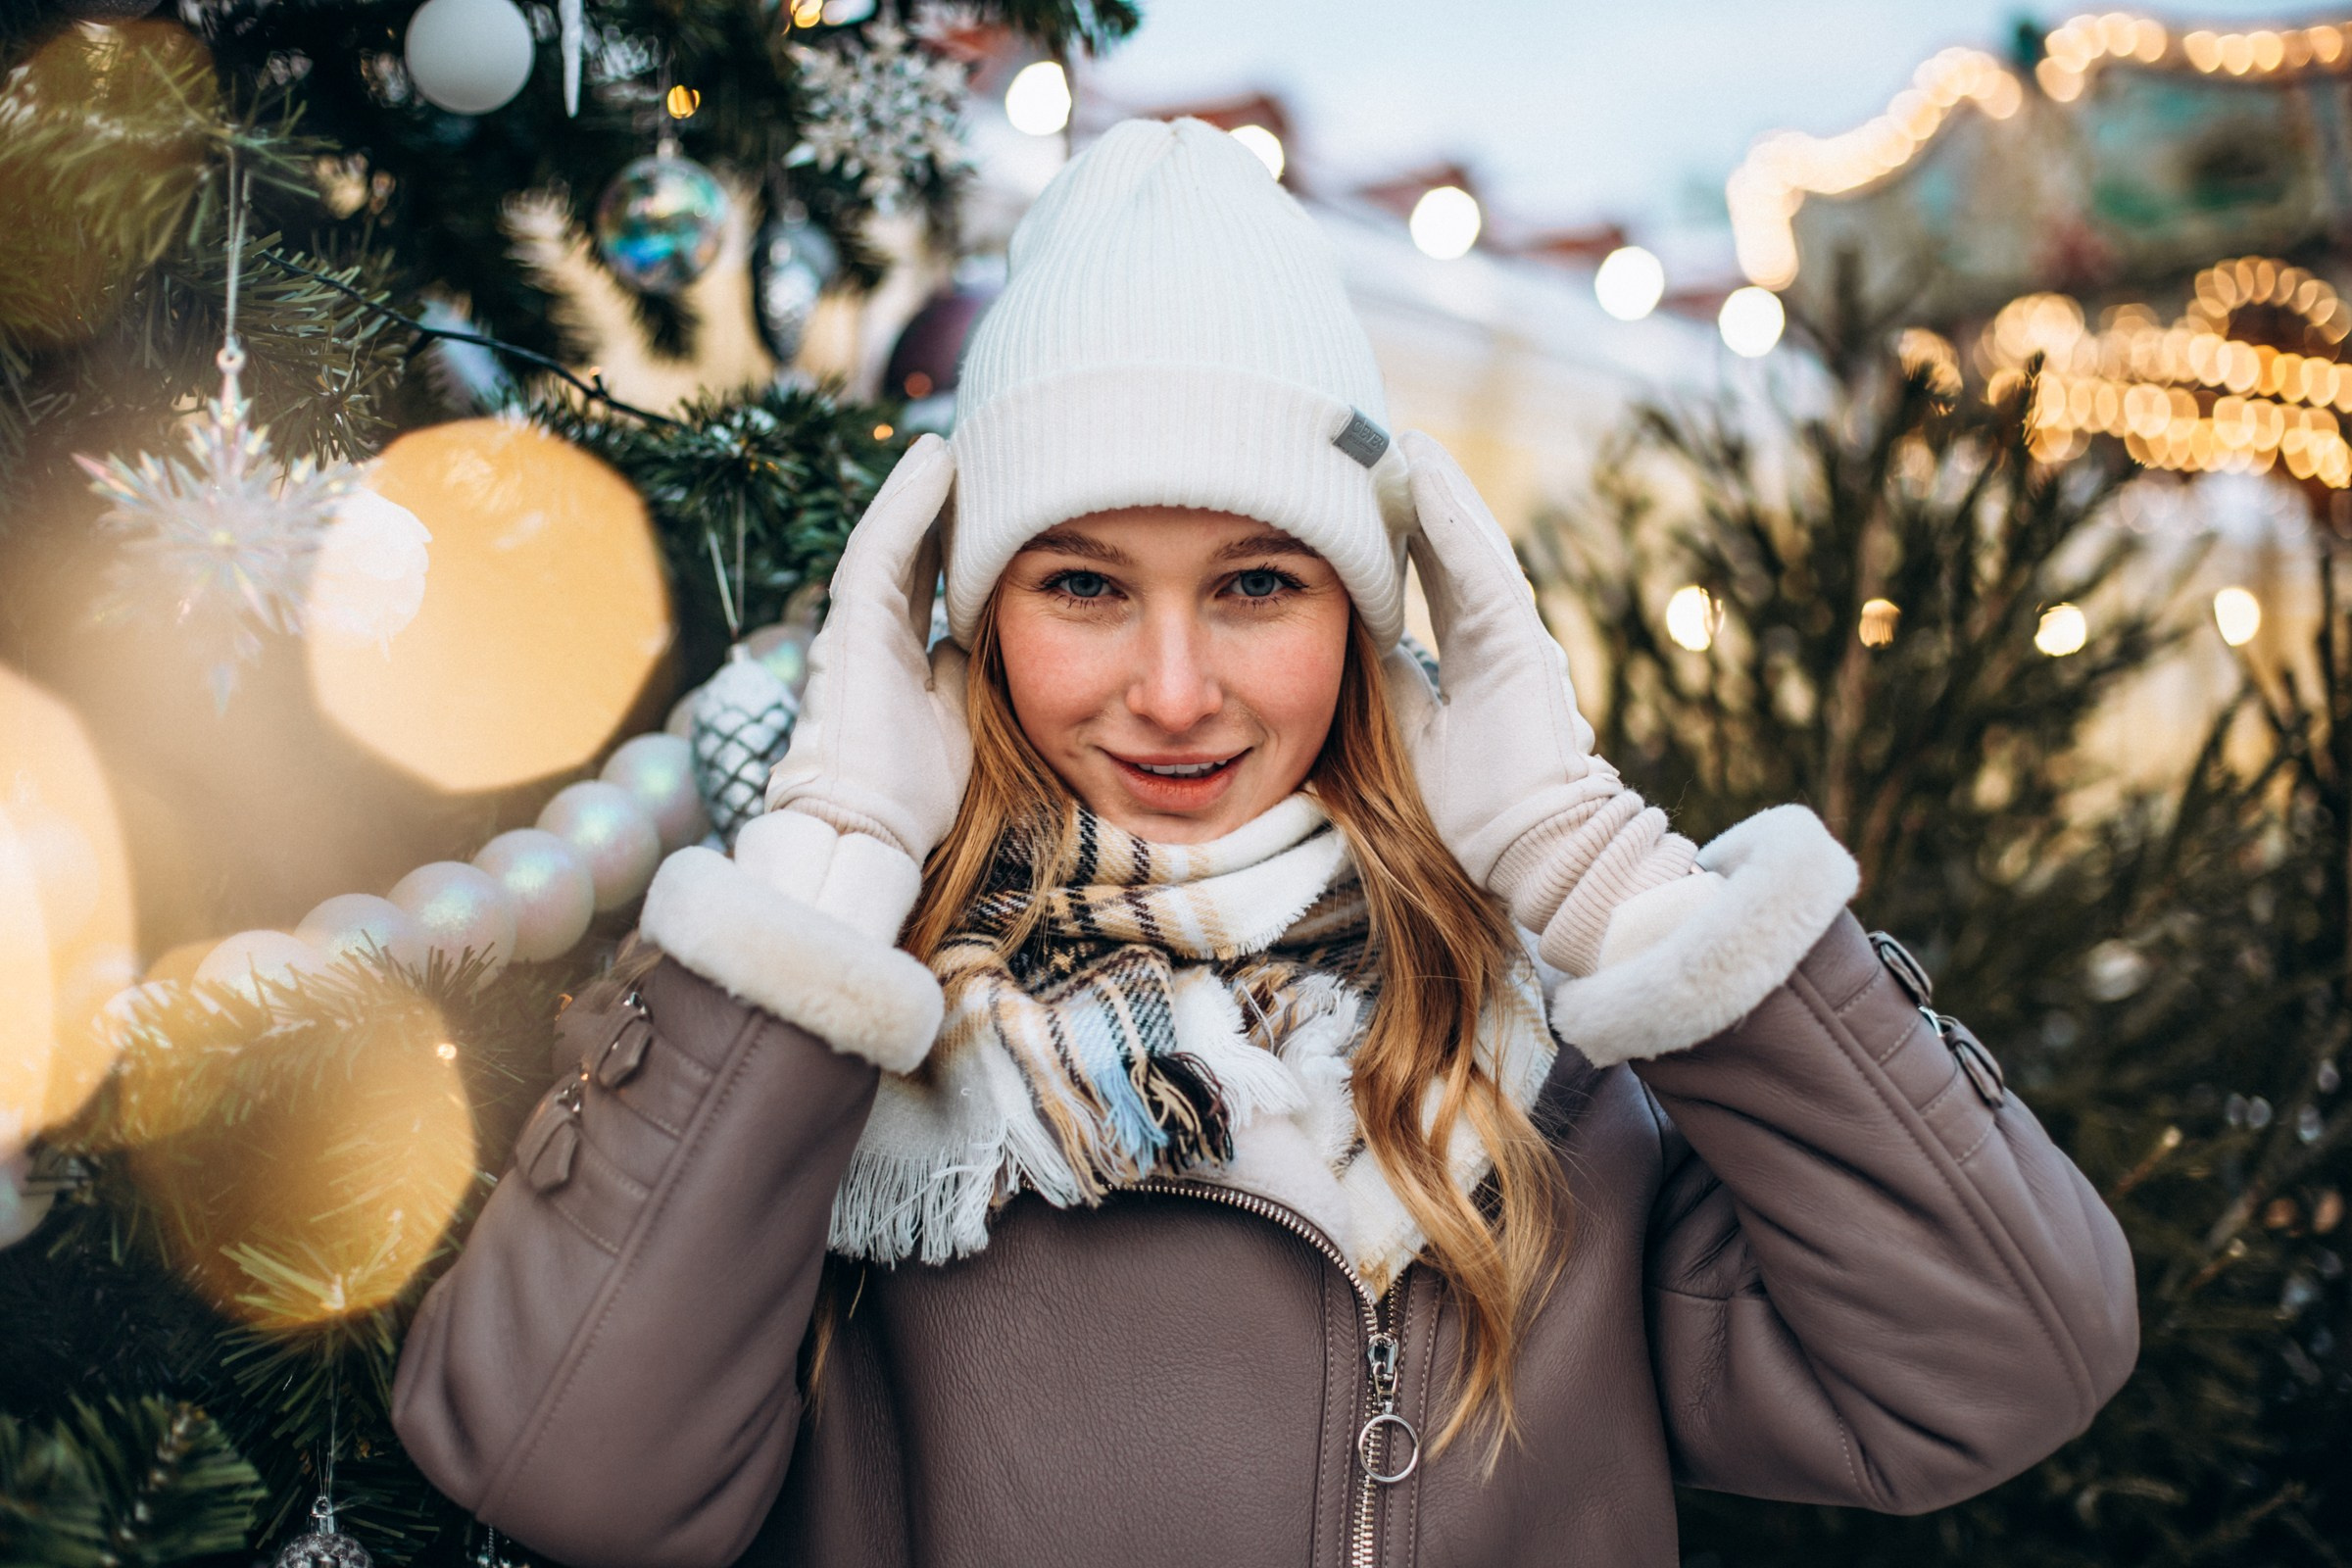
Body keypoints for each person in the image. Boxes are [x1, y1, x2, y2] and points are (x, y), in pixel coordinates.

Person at [391, 119, 2137, 1568]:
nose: (1174, 690)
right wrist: (835, 860)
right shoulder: (826, 1045)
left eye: (1256, 586)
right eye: (1083, 584)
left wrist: (1589, 859)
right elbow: (565, 1469)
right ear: (968, 611)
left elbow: (2005, 1363)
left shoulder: (1545, 1065)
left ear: (1368, 616)